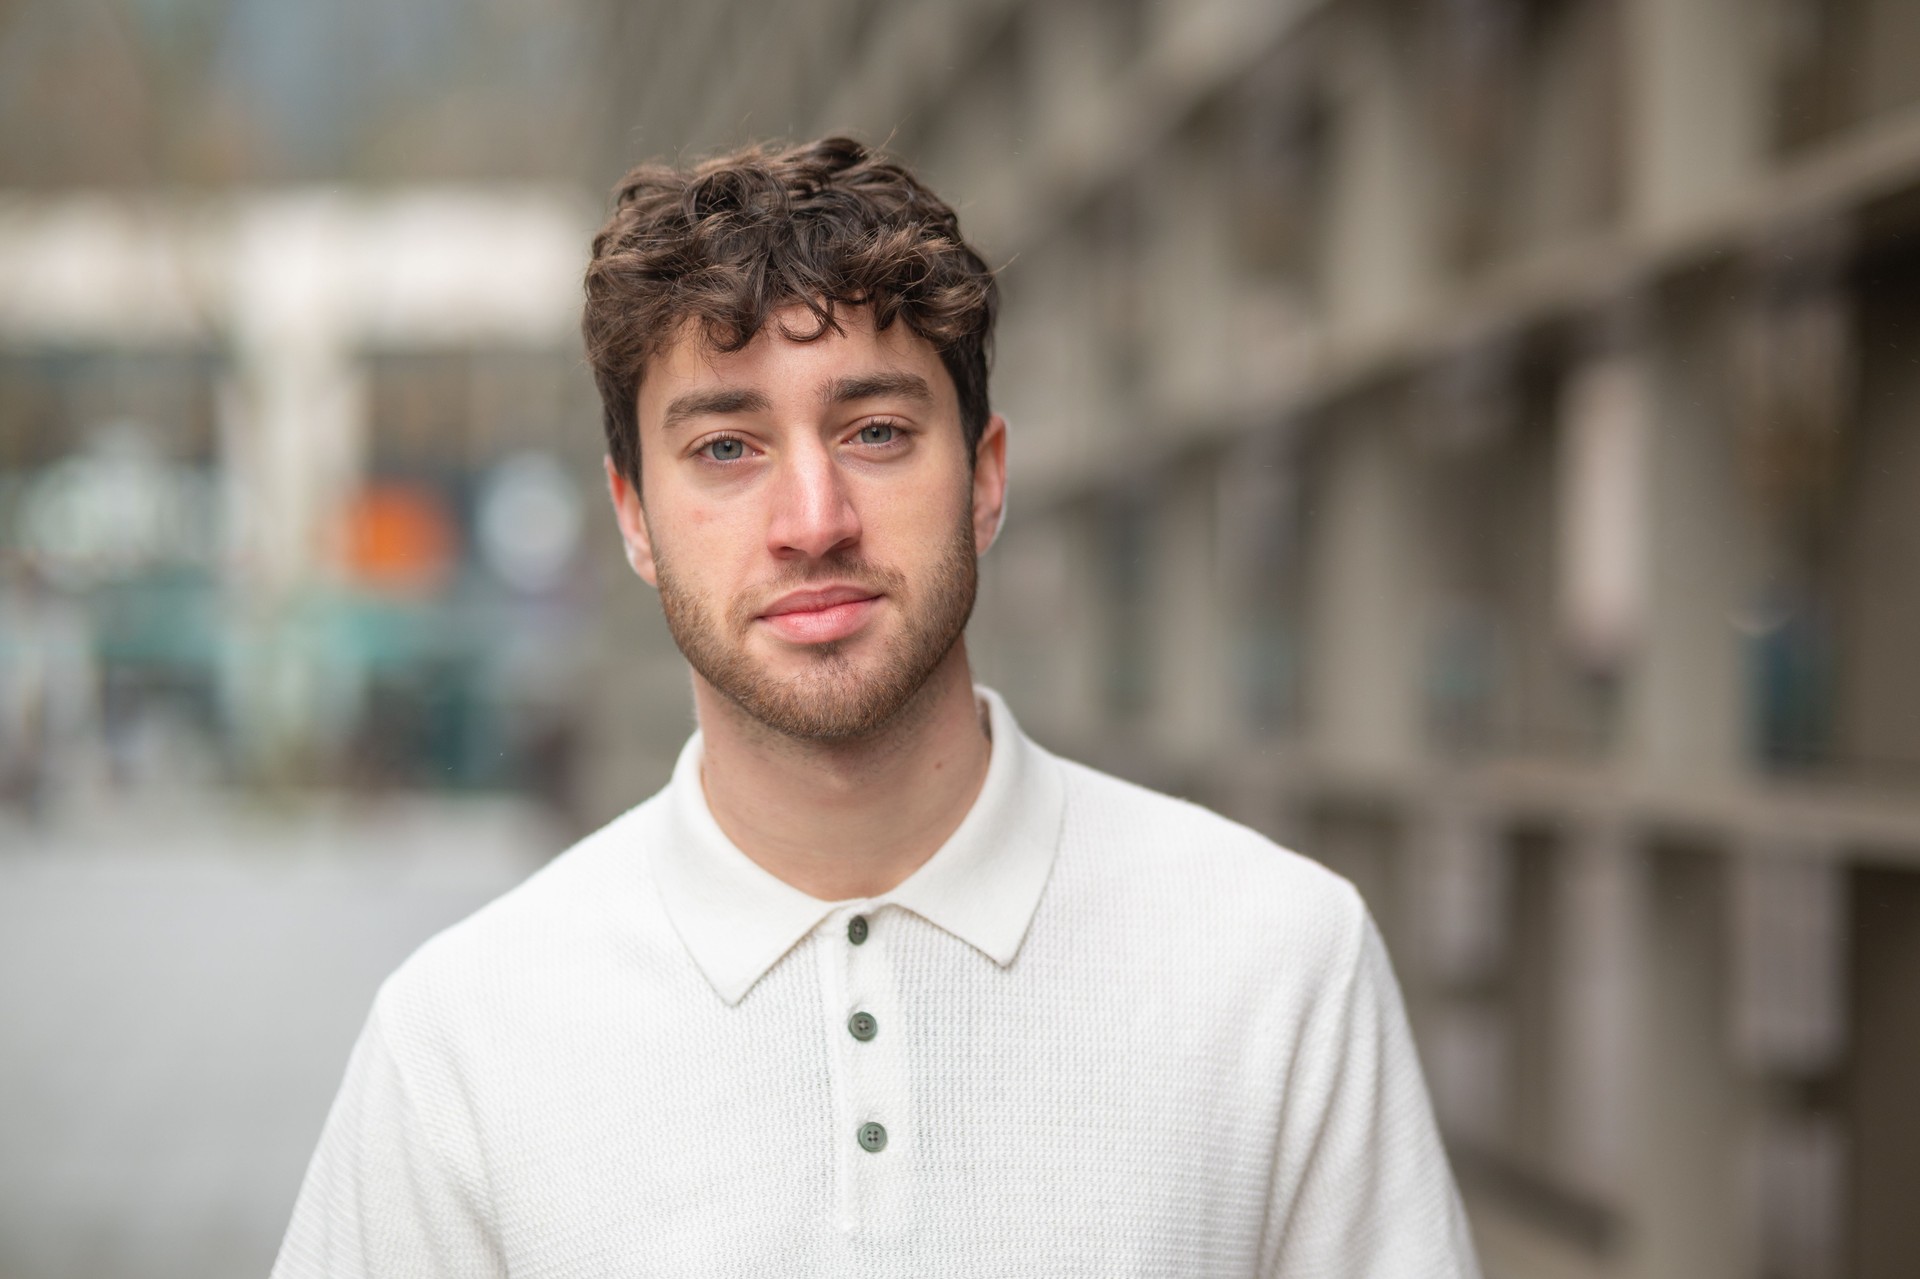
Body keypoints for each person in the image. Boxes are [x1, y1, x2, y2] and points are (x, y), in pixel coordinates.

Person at [272, 136, 1480, 1278]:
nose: (814, 517)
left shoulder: (1279, 960)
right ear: (634, 517)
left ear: (986, 480)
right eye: (727, 449)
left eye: (878, 430)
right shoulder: (460, 1042)